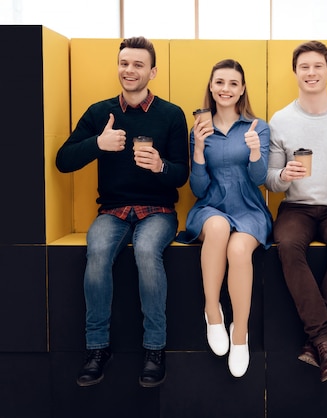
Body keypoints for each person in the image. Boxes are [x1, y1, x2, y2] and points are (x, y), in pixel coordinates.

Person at [56, 36, 189, 388]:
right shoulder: (100, 113)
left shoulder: (171, 115)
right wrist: (97, 144)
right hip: (112, 210)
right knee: (96, 252)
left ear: (153, 71)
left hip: (158, 210)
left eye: (138, 64)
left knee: (147, 252)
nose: (129, 70)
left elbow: (182, 176)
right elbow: (63, 160)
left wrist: (161, 165)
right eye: (124, 63)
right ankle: (97, 348)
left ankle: (154, 349)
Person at [264, 40, 327, 382]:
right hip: (296, 207)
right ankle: (326, 339)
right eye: (304, 67)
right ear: (295, 72)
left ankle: (317, 340)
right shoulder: (281, 120)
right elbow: (270, 181)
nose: (311, 73)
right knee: (288, 246)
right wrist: (283, 175)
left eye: (317, 66)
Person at [175, 59, 272, 378]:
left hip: (248, 206)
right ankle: (212, 311)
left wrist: (256, 152)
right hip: (212, 205)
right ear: (211, 87)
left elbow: (259, 180)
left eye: (233, 83)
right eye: (220, 82)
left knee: (239, 250)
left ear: (242, 88)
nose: (226, 89)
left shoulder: (258, 126)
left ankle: (240, 333)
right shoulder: (199, 129)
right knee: (216, 228)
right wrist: (199, 149)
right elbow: (198, 188)